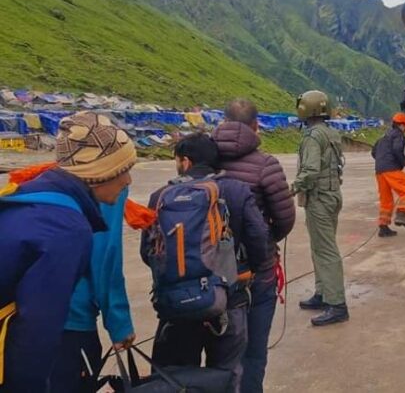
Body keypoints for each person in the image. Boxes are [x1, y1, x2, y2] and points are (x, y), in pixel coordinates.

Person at [0, 112, 135, 392]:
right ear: (99, 174)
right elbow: (36, 329)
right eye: (124, 169)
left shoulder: (29, 197)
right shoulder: (67, 229)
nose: (128, 180)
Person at [142, 134, 269, 391]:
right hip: (227, 301)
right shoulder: (235, 190)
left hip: (174, 304)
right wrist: (244, 272)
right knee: (227, 372)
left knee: (172, 377)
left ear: (185, 162)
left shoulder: (160, 196)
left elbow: (148, 253)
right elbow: (259, 240)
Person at [212, 98, 295, 392]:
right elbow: (285, 218)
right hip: (257, 271)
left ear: (223, 122)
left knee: (219, 351)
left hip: (211, 274)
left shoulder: (208, 160)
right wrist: (267, 241)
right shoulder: (266, 164)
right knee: (254, 350)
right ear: (255, 125)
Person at [48, 188, 136, 392]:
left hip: (22, 319)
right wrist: (119, 323)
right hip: (71, 322)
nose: (128, 180)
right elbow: (105, 257)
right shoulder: (105, 188)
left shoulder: (41, 183)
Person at [292, 90, 348, 326]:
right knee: (320, 247)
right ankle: (323, 293)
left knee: (325, 251)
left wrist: (292, 187)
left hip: (319, 199)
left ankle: (337, 304)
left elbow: (311, 170)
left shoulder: (313, 136)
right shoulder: (331, 133)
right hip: (332, 195)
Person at [371, 112, 405, 237]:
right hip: (391, 169)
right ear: (403, 125)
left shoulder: (383, 137)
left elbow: (374, 152)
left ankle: (383, 227)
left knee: (386, 199)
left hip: (379, 171)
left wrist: (383, 161)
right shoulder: (399, 135)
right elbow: (397, 149)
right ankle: (401, 214)